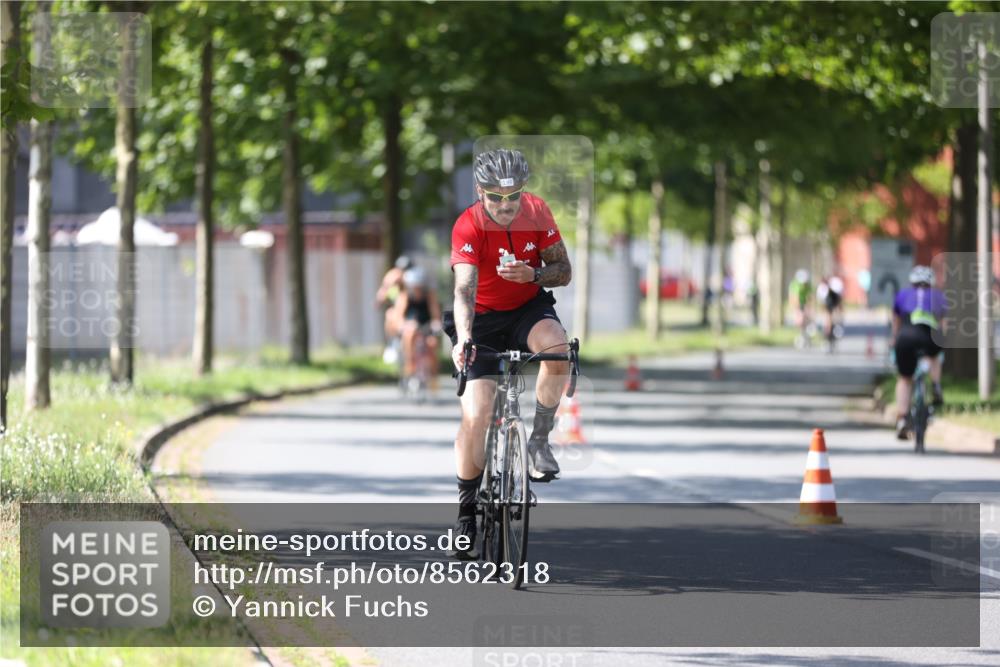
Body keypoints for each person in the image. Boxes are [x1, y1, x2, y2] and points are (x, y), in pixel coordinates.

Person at [443, 148, 573, 558]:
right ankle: (466, 515)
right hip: (480, 318)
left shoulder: (538, 212)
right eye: (496, 197)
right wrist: (464, 338)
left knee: (557, 349)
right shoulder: (468, 225)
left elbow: (563, 270)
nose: (505, 205)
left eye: (513, 196)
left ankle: (538, 441)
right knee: (477, 413)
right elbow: (463, 289)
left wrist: (534, 274)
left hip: (527, 310)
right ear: (480, 191)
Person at [891, 265, 947, 440]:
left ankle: (901, 417)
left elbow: (896, 321)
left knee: (904, 379)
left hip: (906, 338)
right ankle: (936, 385)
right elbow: (944, 323)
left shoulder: (902, 295)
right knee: (935, 355)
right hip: (929, 337)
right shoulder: (938, 296)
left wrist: (894, 340)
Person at [393, 266, 442, 383]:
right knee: (409, 334)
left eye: (419, 286)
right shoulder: (405, 296)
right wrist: (403, 325)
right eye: (414, 286)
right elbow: (398, 316)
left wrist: (436, 324)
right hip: (411, 327)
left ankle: (433, 376)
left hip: (426, 326)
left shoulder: (429, 295)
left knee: (432, 344)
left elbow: (435, 315)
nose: (417, 289)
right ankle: (410, 366)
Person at [377, 255, 413, 341]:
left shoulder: (413, 279)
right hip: (395, 310)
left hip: (411, 312)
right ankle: (393, 342)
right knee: (390, 314)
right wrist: (391, 286)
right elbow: (381, 298)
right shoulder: (392, 279)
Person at [816, 275, 845, 348]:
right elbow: (822, 302)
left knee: (836, 315)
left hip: (835, 299)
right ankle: (827, 334)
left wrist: (839, 310)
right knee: (827, 318)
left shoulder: (836, 283)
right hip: (827, 302)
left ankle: (837, 328)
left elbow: (839, 299)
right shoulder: (821, 288)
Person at [789, 269, 813, 347]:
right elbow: (794, 298)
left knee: (807, 316)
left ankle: (807, 332)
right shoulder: (795, 285)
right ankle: (801, 334)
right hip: (797, 303)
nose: (804, 284)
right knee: (800, 320)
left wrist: (809, 308)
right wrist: (797, 308)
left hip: (804, 302)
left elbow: (810, 297)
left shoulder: (808, 285)